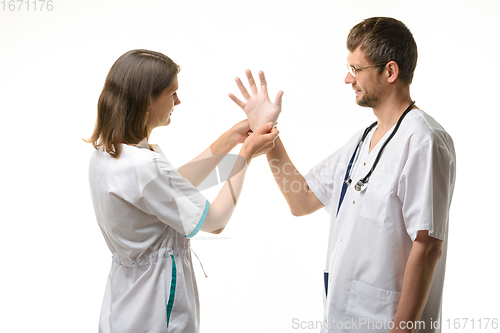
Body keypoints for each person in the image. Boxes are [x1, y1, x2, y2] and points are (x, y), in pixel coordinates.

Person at [230, 17, 456, 333]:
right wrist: (268, 135)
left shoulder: (423, 140)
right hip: (343, 319)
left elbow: (427, 245)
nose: (347, 79)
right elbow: (301, 199)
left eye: (356, 69)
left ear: (390, 71)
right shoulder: (362, 141)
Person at [85, 49, 279, 333]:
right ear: (147, 100)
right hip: (157, 307)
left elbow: (169, 189)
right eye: (172, 93)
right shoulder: (145, 165)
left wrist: (230, 140)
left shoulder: (107, 154)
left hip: (124, 304)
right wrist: (245, 156)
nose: (178, 101)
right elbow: (215, 221)